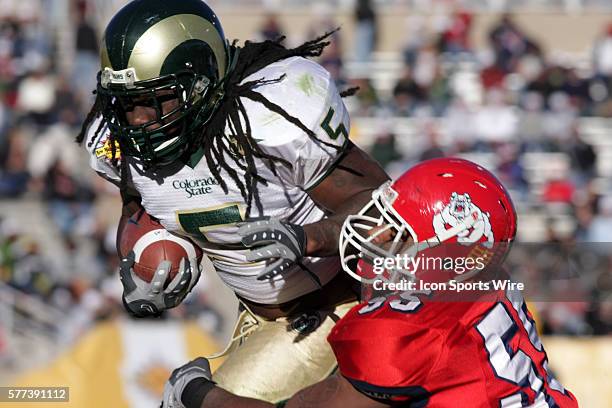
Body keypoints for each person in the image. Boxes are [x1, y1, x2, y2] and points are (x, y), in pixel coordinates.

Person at [75, 0, 389, 403]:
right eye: (126, 101)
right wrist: (143, 257)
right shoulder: (120, 141)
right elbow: (139, 204)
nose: (136, 120)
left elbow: (383, 207)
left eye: (155, 100)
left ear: (201, 82)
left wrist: (310, 237)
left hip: (337, 306)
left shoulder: (268, 118)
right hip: (257, 315)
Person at [161, 158, 578, 408]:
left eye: (394, 229)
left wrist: (197, 393)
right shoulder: (485, 277)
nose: (375, 236)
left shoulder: (409, 326)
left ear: (438, 248)